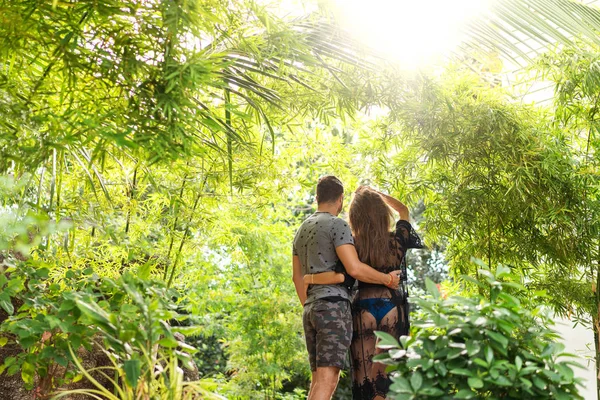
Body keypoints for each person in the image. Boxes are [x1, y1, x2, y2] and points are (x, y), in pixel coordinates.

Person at [304, 186, 423, 400]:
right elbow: (404, 211)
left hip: (362, 309)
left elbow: (341, 275)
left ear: (355, 217)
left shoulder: (352, 244)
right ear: (381, 213)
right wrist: (378, 194)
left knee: (364, 380)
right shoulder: (397, 241)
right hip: (392, 308)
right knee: (387, 377)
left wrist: (310, 279)